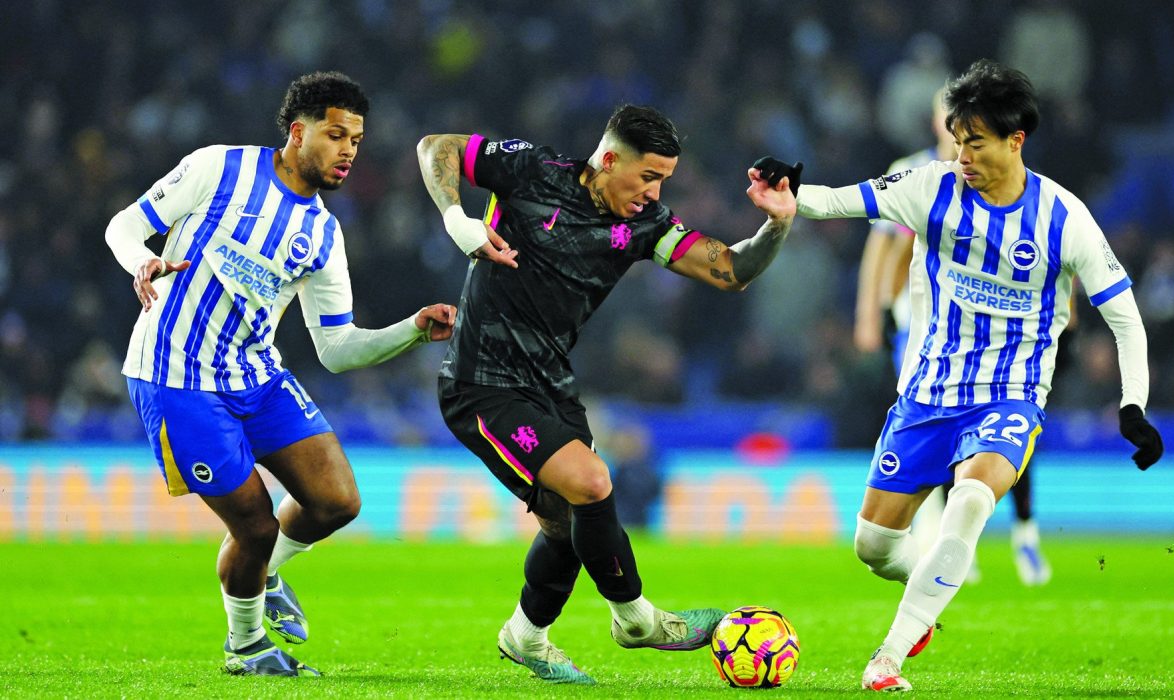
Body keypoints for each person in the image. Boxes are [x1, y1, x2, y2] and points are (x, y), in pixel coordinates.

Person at [755, 59, 1163, 692]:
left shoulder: (1065, 218)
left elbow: (1127, 320)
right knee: (872, 548)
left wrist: (1132, 405)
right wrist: (790, 198)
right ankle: (932, 585)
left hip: (1011, 395)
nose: (961, 154)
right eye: (957, 139)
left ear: (1014, 140)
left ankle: (887, 658)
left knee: (971, 501)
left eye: (974, 141)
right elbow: (845, 199)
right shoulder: (931, 187)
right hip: (926, 394)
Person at [417, 104, 797, 685]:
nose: (655, 191)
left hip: (552, 385)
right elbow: (436, 146)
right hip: (482, 383)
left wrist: (777, 225)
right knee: (591, 482)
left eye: (664, 179)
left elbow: (730, 271)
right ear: (609, 158)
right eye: (648, 176)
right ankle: (636, 618)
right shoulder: (532, 171)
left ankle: (525, 637)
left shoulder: (646, 226)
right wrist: (455, 218)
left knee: (572, 526)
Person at [105, 71, 456, 677]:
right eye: (337, 134)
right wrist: (144, 262)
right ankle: (245, 647)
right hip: (175, 375)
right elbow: (124, 226)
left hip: (257, 376)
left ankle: (263, 576)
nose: (349, 150)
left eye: (358, 139)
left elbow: (339, 348)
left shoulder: (323, 232)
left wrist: (413, 329)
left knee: (337, 501)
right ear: (298, 132)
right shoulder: (219, 168)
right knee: (255, 524)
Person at [855, 89, 1052, 587]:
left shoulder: (1002, 179)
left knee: (1003, 430)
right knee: (933, 426)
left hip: (996, 333)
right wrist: (871, 313)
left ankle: (1021, 532)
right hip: (921, 328)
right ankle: (946, 541)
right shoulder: (914, 172)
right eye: (949, 121)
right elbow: (881, 248)